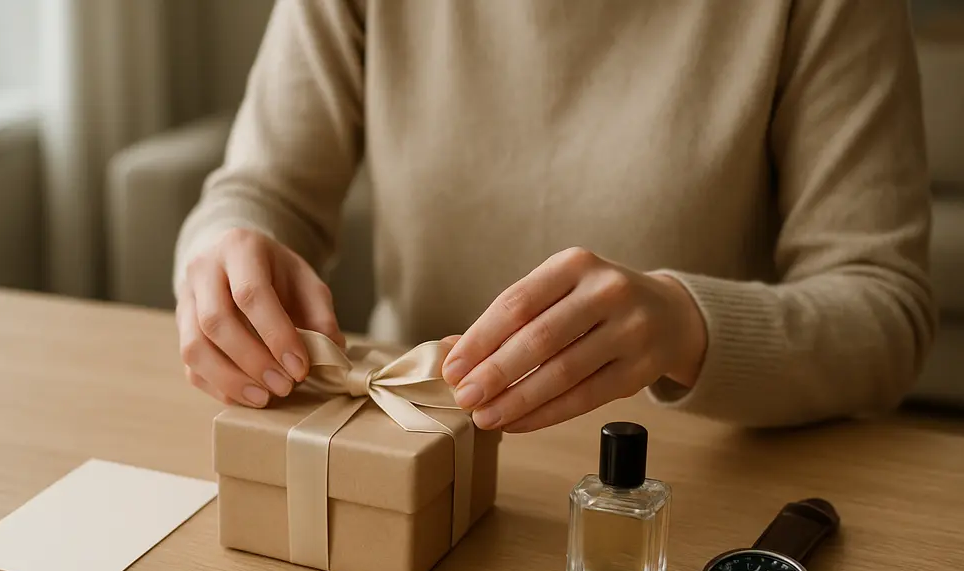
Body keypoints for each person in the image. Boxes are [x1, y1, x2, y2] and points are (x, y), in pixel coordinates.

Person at [173, 0, 937, 432]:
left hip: (696, 491)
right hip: (414, 448)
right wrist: (221, 253)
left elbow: (884, 310)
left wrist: (685, 324)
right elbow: (259, 192)